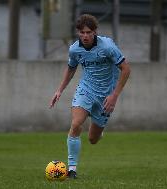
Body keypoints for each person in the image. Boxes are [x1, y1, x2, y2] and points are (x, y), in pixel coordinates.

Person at [49, 14, 130, 179]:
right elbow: (71, 68)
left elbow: (126, 69)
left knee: (93, 139)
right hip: (86, 89)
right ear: (78, 32)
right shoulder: (74, 49)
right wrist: (59, 90)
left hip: (106, 95)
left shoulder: (107, 47)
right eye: (82, 32)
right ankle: (71, 169)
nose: (85, 36)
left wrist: (114, 95)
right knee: (76, 123)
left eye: (88, 32)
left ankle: (99, 131)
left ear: (95, 32)